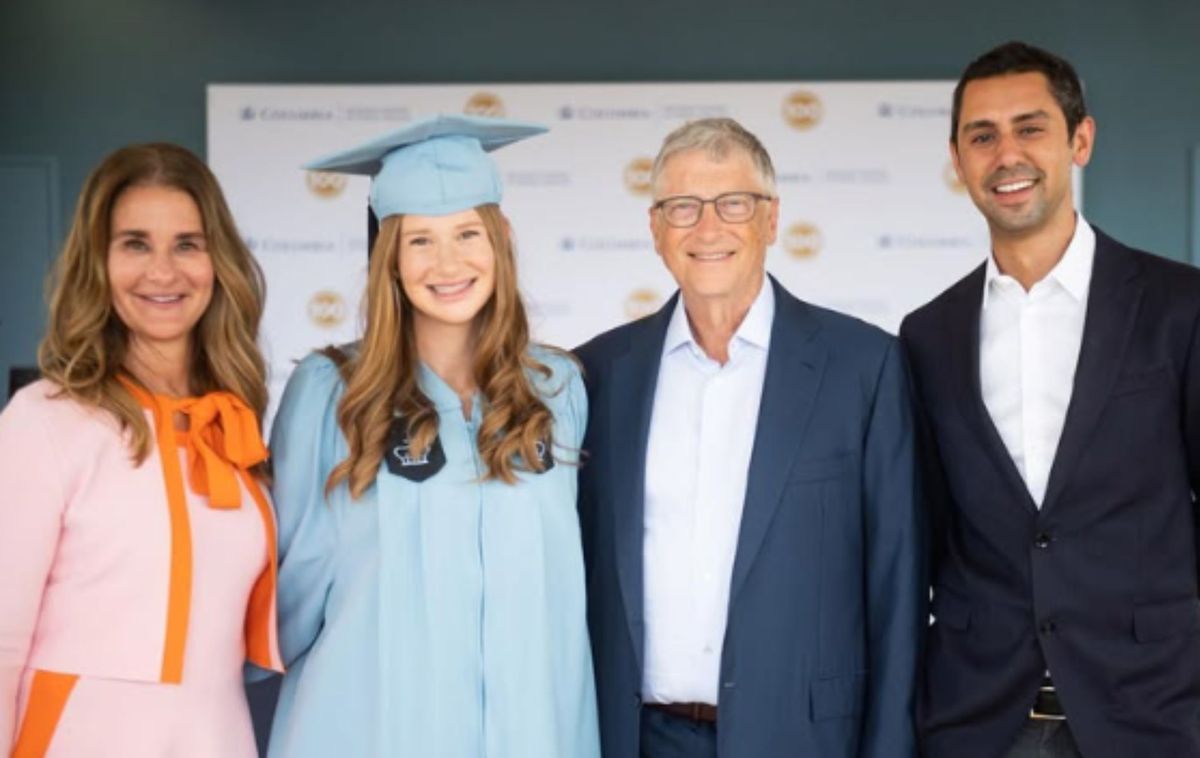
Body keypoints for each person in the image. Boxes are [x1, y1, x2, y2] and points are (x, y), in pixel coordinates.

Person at [575, 117, 924, 758]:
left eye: (733, 204)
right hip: (635, 738)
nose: (708, 228)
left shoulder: (863, 367)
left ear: (770, 220)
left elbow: (896, 589)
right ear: (655, 230)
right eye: (683, 207)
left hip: (807, 740)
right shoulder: (596, 376)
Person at [900, 41, 1200, 758]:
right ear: (958, 158)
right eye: (983, 136)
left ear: (1081, 140)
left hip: (1151, 716)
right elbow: (927, 536)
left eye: (1030, 128)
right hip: (979, 723)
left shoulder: (1179, 307)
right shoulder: (928, 334)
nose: (1007, 154)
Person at [266, 114, 599, 757]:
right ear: (389, 257)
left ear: (500, 238)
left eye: (467, 233)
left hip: (532, 734)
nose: (447, 263)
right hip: (368, 729)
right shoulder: (333, 391)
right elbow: (291, 585)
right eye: (419, 240)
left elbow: (568, 593)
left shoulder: (556, 388)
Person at [0, 143, 283, 757]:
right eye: (135, 243)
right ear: (97, 263)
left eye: (188, 243)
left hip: (216, 736)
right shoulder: (45, 420)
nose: (163, 272)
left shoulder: (232, 422)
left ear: (219, 261)